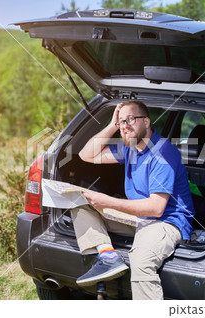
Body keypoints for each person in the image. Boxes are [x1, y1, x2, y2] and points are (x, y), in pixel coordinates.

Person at [73, 101, 194, 300]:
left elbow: (156, 208)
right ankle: (108, 256)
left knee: (140, 262)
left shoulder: (163, 153)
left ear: (146, 122)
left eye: (130, 119)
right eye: (122, 122)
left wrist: (108, 202)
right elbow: (86, 155)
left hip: (166, 222)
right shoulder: (129, 148)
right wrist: (112, 125)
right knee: (79, 204)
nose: (125, 126)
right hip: (138, 216)